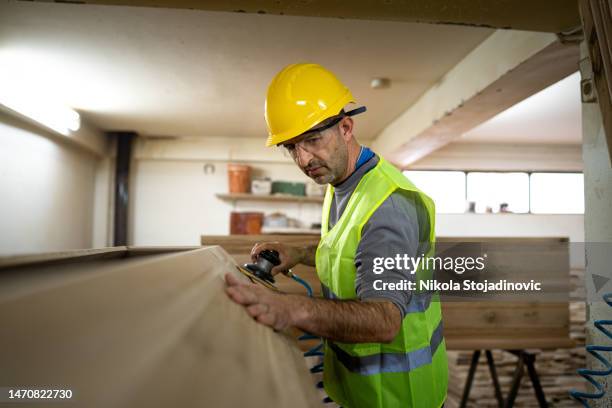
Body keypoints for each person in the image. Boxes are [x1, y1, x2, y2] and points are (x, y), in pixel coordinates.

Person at [225, 63, 448, 407]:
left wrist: (291, 309)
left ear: (346, 127)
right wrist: (299, 254)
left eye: (312, 140)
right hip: (360, 389)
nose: (303, 159)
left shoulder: (389, 204)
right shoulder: (340, 182)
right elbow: (350, 252)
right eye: (291, 147)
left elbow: (385, 320)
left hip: (398, 395)